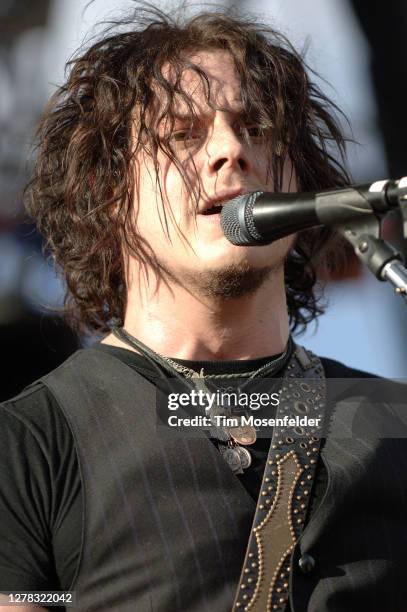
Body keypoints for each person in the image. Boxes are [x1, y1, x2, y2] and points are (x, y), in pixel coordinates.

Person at [1, 4, 406, 612]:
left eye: (258, 129)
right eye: (182, 134)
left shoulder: (395, 423)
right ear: (109, 194)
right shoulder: (29, 442)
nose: (230, 151)